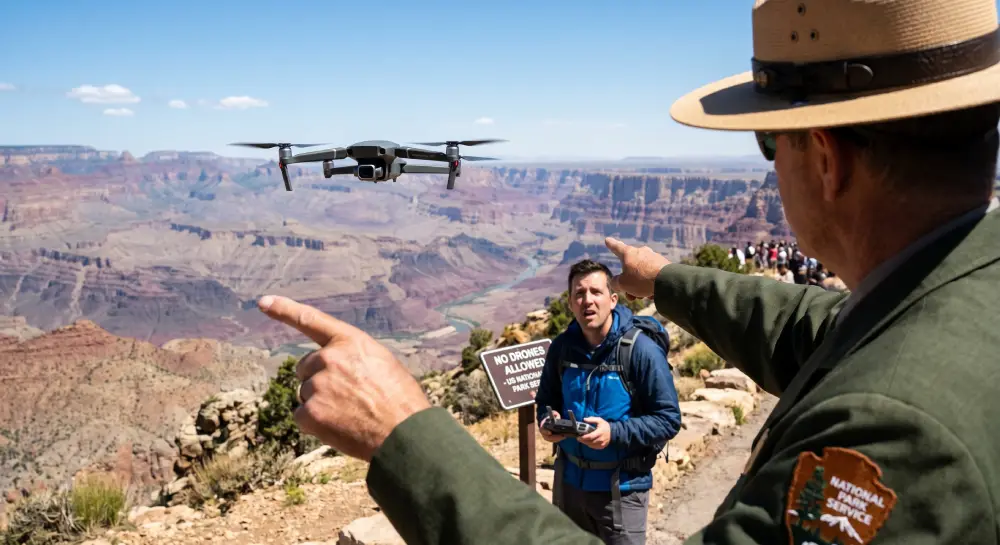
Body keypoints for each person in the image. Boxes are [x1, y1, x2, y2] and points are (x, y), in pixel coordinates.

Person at [255, 1, 1000, 544]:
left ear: (827, 159)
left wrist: (403, 434)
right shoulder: (958, 284)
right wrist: (666, 279)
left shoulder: (897, 436)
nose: (772, 168)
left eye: (772, 144)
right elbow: (822, 330)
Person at [533, 259, 680, 545]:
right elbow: (546, 399)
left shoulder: (640, 351)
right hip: (569, 484)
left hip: (622, 490)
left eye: (596, 292)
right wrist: (546, 422)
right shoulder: (562, 348)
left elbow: (668, 419)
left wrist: (614, 433)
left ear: (613, 299)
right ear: (570, 303)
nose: (587, 300)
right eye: (579, 293)